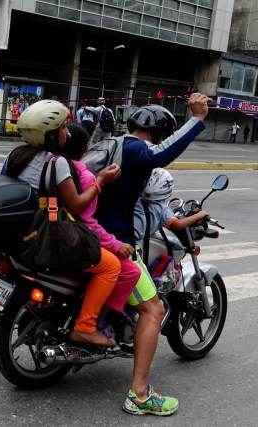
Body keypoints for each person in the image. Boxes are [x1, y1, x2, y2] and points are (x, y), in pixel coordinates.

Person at [93, 95, 211, 416]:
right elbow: (164, 154)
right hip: (116, 243)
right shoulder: (134, 149)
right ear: (157, 133)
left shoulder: (110, 143)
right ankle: (140, 395)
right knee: (154, 310)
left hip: (87, 234)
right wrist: (197, 120)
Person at [1, 100, 123, 347]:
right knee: (110, 266)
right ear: (49, 134)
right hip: (47, 236)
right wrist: (100, 181)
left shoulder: (14, 156)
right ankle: (86, 326)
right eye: (62, 128)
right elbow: (77, 205)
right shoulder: (56, 163)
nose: (67, 133)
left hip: (22, 235)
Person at [61, 123, 141, 343]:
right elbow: (86, 222)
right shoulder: (84, 177)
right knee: (126, 271)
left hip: (45, 233)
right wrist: (116, 244)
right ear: (85, 148)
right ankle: (93, 323)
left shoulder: (41, 163)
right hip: (71, 239)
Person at [133, 168, 209, 243]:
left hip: (122, 233)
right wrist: (199, 215)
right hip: (131, 241)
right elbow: (177, 225)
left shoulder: (136, 199)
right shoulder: (162, 209)